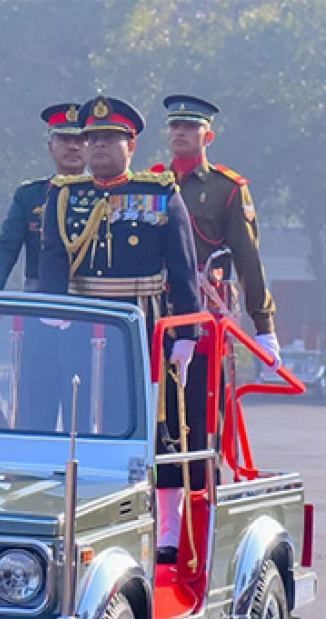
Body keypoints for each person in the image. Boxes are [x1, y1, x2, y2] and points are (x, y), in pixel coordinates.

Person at [36, 94, 202, 565]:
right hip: (83, 321)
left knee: (157, 423)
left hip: (142, 319)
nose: (100, 148)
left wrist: (187, 333)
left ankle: (166, 530)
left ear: (131, 145)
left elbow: (183, 266)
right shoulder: (64, 195)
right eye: (92, 140)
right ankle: (90, 513)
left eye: (110, 139)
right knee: (79, 421)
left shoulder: (159, 194)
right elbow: (52, 256)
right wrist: (53, 310)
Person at [153, 94, 281, 366]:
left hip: (205, 308)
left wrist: (264, 325)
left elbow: (247, 259)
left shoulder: (227, 187)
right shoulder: (152, 184)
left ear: (207, 137)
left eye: (189, 127)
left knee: (204, 396)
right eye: (175, 126)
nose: (180, 133)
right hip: (156, 307)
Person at [0, 103, 87, 291]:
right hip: (41, 297)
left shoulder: (106, 195)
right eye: (64, 139)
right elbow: (6, 247)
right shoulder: (29, 196)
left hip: (92, 296)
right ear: (50, 146)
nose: (73, 147)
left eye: (80, 140)